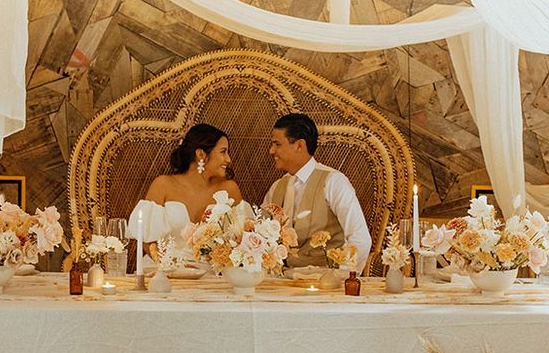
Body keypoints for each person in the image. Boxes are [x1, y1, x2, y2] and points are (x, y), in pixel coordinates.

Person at [263, 113, 371, 271]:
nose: (271, 150)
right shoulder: (277, 187)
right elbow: (260, 235)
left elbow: (360, 239)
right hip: (280, 283)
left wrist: (342, 279)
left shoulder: (334, 182)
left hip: (325, 286)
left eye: (277, 144)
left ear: (299, 145)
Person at [129, 124, 243, 253]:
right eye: (223, 152)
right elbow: (148, 242)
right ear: (200, 154)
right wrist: (170, 266)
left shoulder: (229, 189)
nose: (228, 159)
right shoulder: (163, 185)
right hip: (166, 269)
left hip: (214, 271)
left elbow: (242, 238)